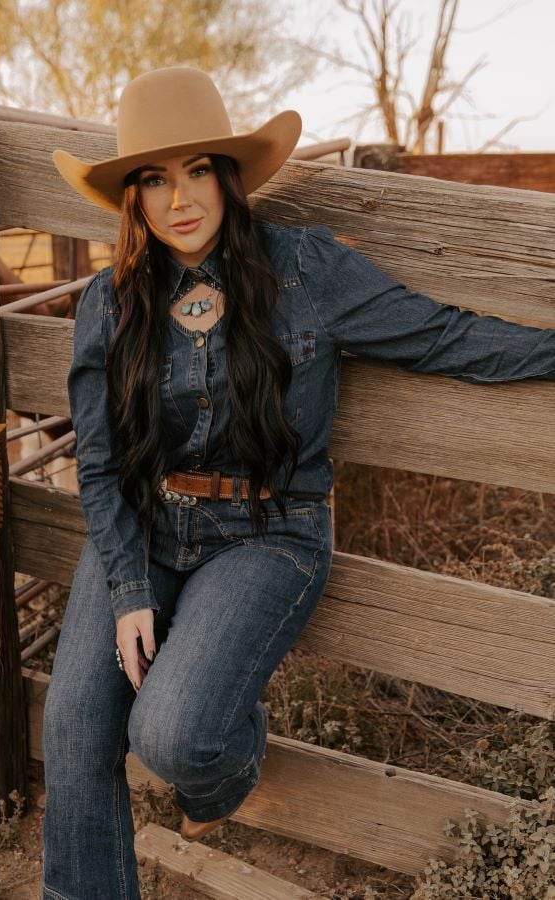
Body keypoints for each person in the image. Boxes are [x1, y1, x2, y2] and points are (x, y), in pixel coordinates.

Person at [42, 65, 555, 900]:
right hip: (141, 525)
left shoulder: (306, 270)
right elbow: (98, 461)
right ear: (131, 198)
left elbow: (442, 337)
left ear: (229, 175)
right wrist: (129, 585)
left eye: (199, 170)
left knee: (172, 736)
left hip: (269, 534)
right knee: (74, 723)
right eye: (154, 179)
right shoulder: (113, 300)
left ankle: (227, 759)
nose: (180, 198)